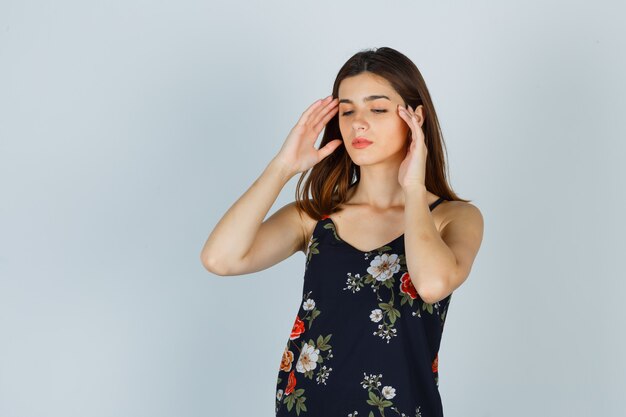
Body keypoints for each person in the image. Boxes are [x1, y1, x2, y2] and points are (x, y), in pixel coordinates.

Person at [200, 46, 484, 417]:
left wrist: (414, 187)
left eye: (377, 108)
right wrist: (283, 166)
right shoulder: (315, 215)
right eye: (347, 110)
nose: (357, 123)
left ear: (415, 117)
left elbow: (431, 284)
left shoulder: (452, 217)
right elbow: (220, 259)